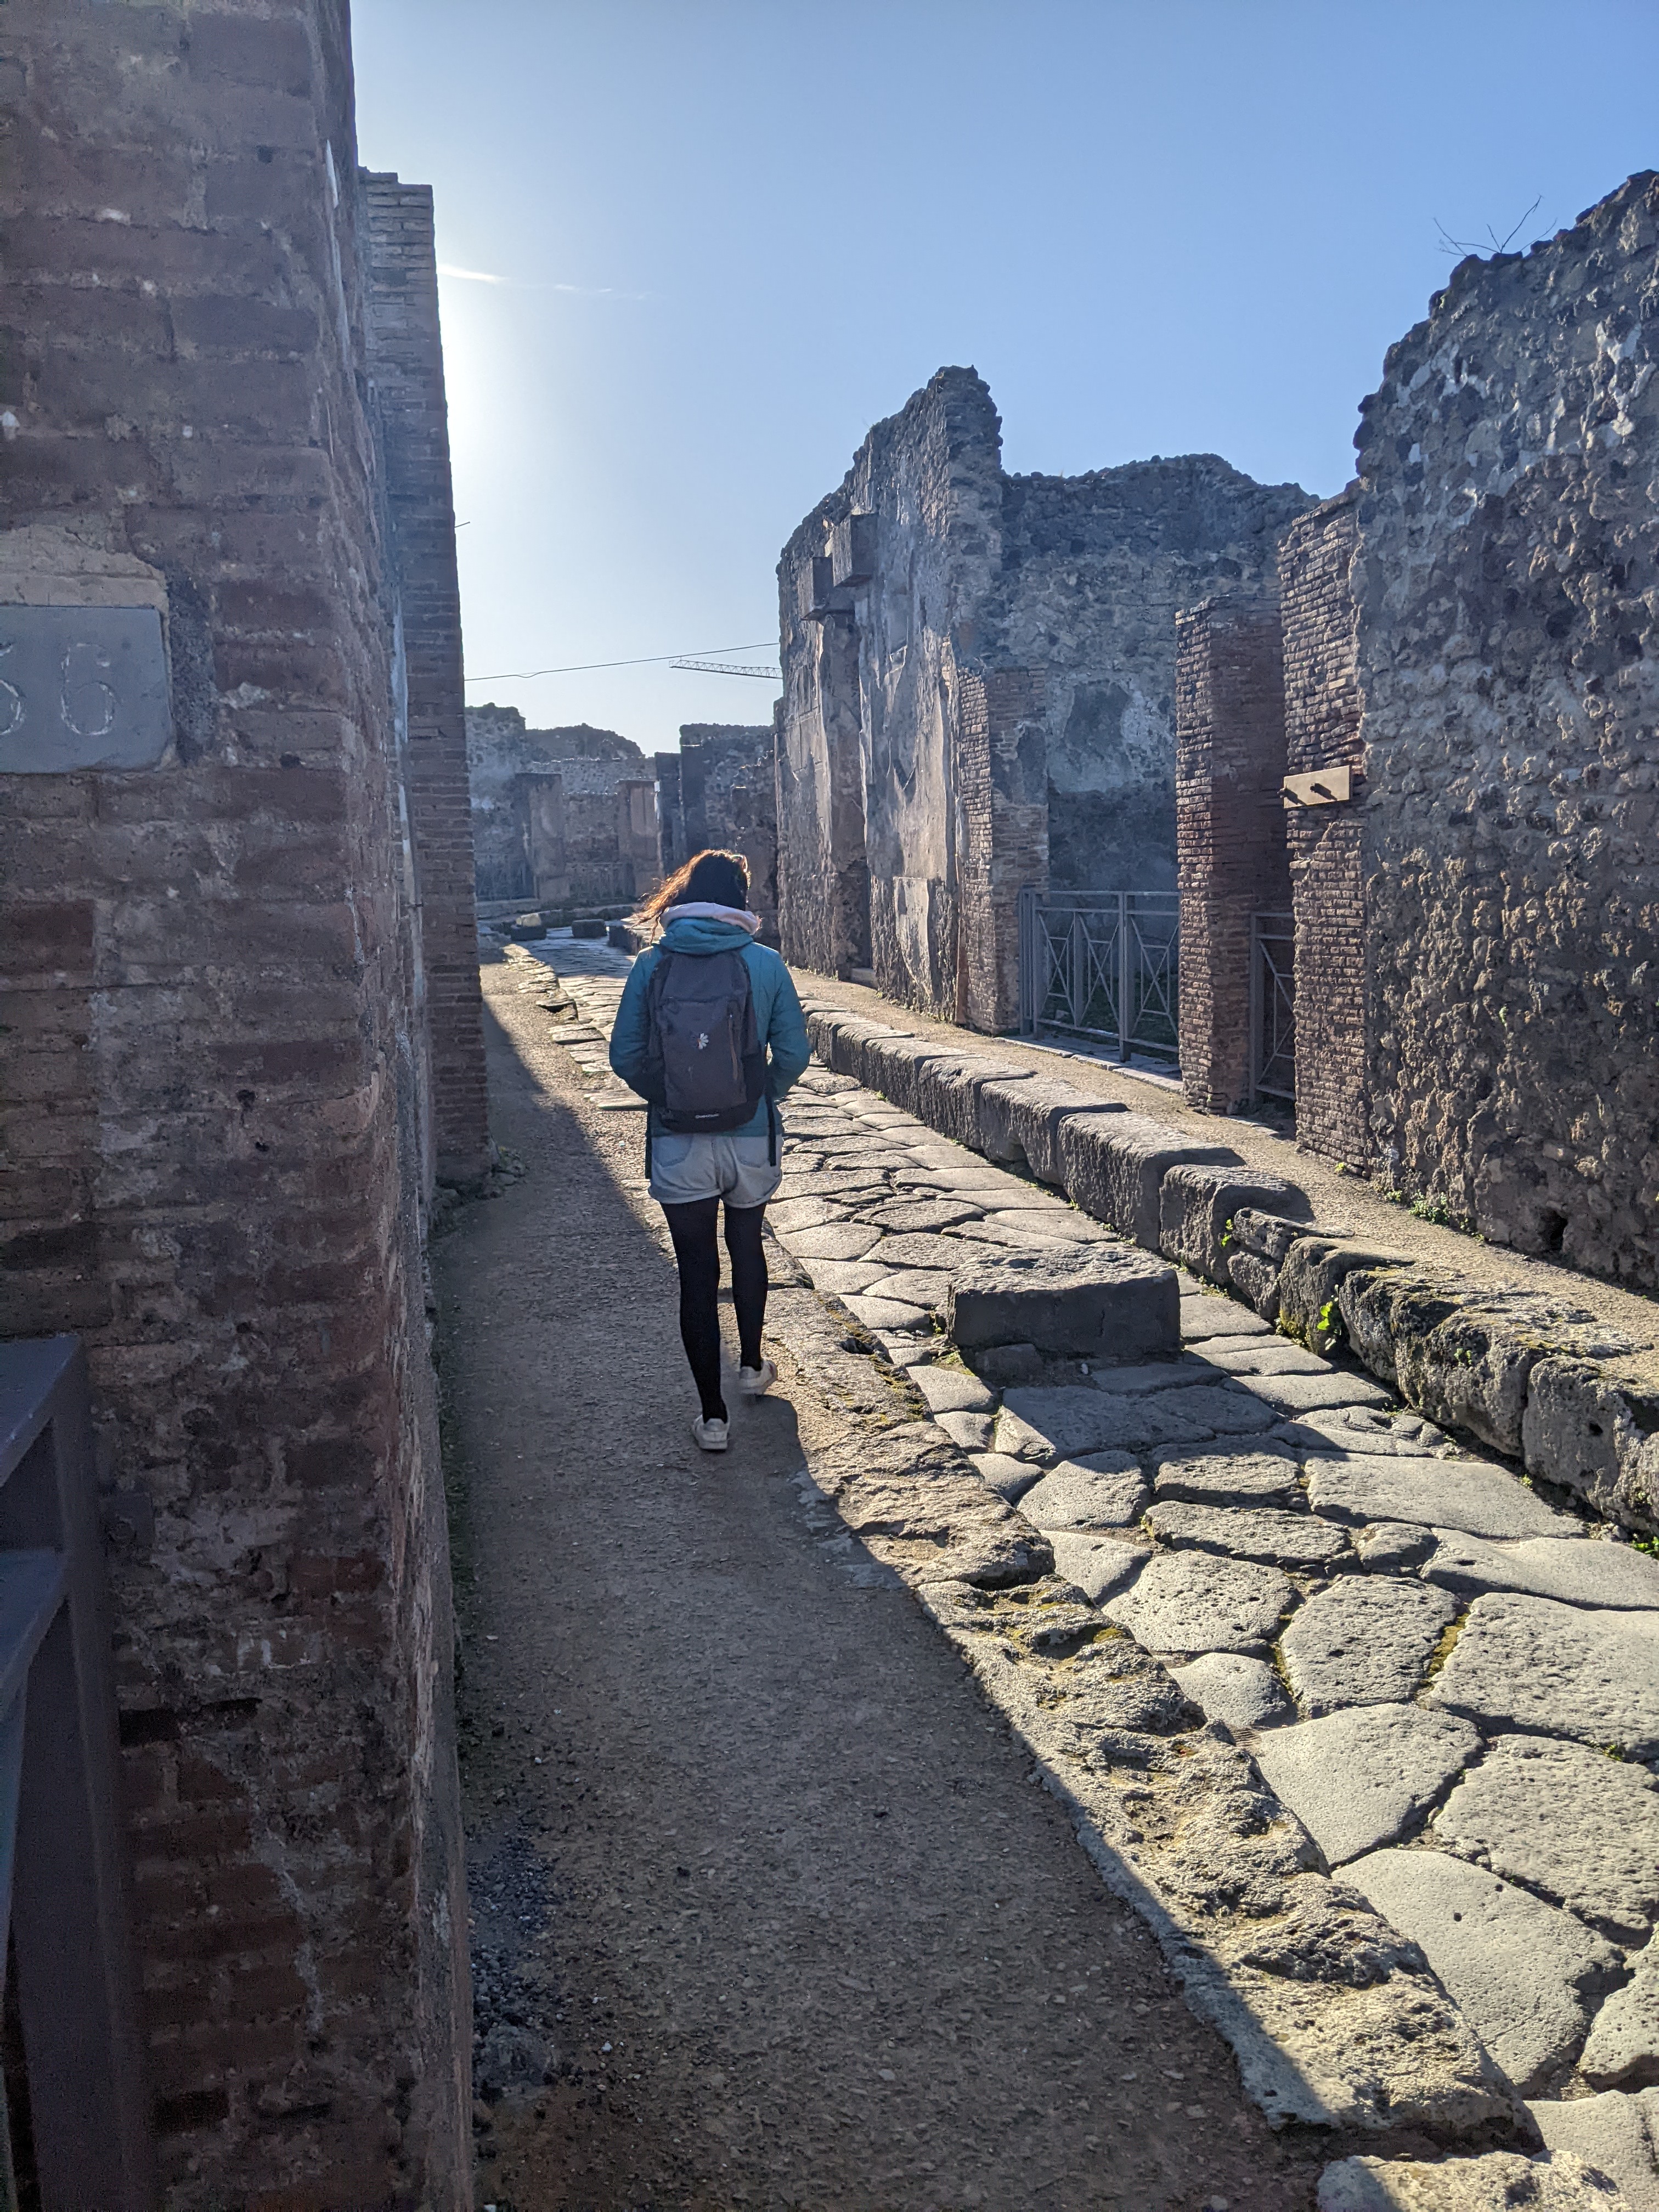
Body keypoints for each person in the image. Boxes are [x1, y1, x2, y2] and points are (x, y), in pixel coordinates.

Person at [609, 849, 810, 1452]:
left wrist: (670, 1096)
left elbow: (624, 1056)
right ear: (739, 899)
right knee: (747, 1244)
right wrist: (760, 1096)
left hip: (679, 1142)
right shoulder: (765, 963)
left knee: (696, 1272)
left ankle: (713, 1418)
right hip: (749, 1139)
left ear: (685, 895)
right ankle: (751, 1365)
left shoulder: (653, 965)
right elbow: (794, 1054)